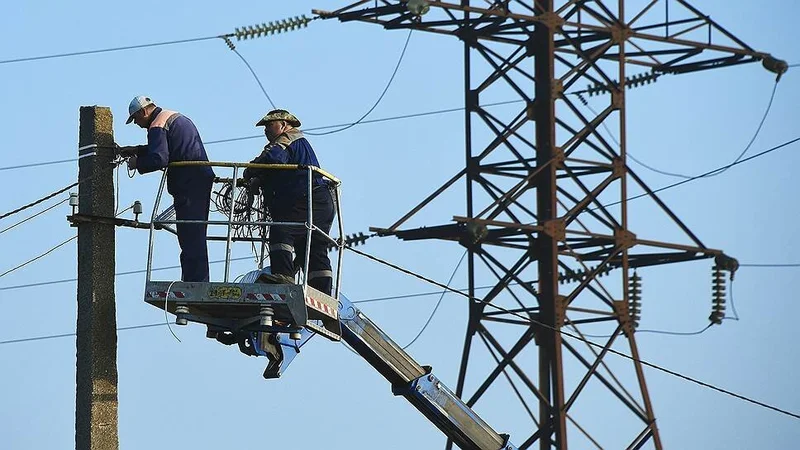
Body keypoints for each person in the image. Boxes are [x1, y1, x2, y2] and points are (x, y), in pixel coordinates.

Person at [119, 95, 215, 282]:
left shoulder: (157, 125)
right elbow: (168, 148)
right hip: (199, 179)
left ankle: (194, 282)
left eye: (136, 119)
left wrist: (137, 163)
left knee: (189, 235)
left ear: (143, 111)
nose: (136, 124)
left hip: (188, 183)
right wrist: (137, 149)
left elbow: (160, 158)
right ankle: (198, 280)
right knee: (196, 234)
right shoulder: (173, 117)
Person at [243, 109, 335, 295]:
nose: (266, 130)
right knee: (312, 246)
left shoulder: (287, 139)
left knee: (281, 229)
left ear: (283, 125)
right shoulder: (298, 143)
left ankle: (283, 276)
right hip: (320, 201)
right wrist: (261, 179)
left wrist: (250, 171)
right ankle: (322, 291)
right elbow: (279, 169)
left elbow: (272, 158)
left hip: (306, 198)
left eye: (270, 125)